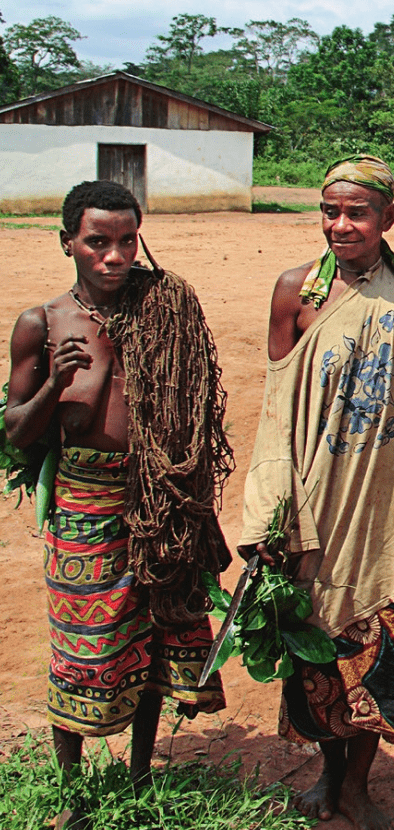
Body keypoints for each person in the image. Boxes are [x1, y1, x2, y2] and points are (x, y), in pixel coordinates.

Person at [5, 181, 227, 828]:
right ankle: (71, 791)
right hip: (83, 501)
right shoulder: (42, 323)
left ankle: (137, 773)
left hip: (158, 497)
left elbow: (192, 414)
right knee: (81, 644)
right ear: (68, 241)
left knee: (154, 635)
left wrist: (188, 499)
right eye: (97, 242)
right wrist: (55, 384)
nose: (114, 256)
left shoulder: (165, 305)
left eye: (127, 240)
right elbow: (17, 431)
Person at [240, 155, 394, 830]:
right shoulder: (295, 291)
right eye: (330, 211)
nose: (340, 224)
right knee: (321, 651)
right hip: (320, 502)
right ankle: (329, 772)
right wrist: (271, 512)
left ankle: (356, 784)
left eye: (357, 212)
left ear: (389, 217)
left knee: (385, 652)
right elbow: (276, 408)